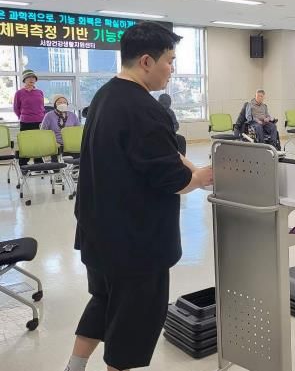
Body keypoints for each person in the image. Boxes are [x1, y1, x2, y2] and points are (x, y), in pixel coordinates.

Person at [66, 22, 213, 371]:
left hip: (98, 232)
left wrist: (190, 166)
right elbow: (173, 180)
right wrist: (201, 177)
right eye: (169, 61)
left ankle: (74, 366)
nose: (172, 70)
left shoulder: (106, 96)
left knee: (104, 300)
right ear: (147, 61)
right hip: (135, 242)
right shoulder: (146, 109)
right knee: (133, 323)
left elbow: (157, 154)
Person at [13, 69, 45, 166]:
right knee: (26, 143)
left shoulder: (40, 92)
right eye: (29, 78)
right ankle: (23, 164)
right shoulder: (19, 93)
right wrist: (23, 116)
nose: (31, 79)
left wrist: (42, 116)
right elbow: (16, 108)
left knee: (38, 143)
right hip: (26, 122)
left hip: (40, 121)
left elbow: (42, 107)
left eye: (33, 78)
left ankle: (39, 163)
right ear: (24, 80)